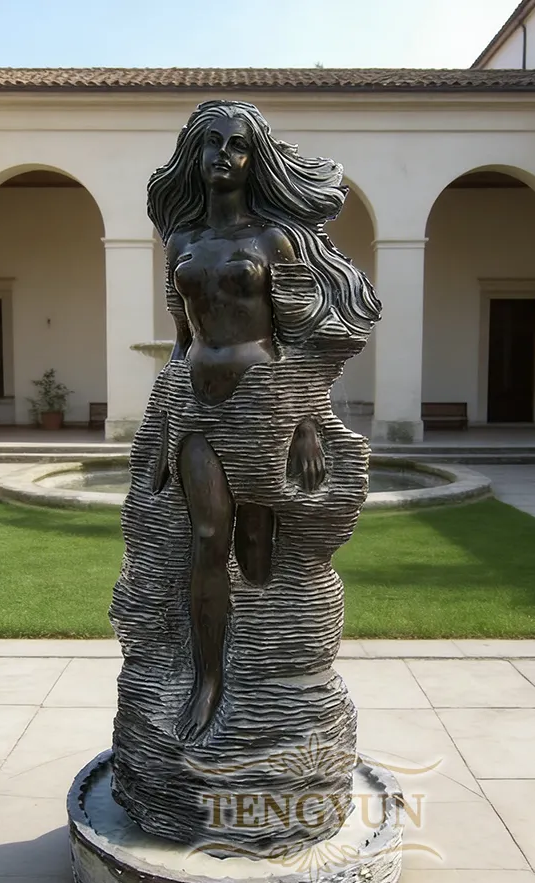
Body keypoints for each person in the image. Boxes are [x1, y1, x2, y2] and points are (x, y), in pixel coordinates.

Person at [146, 100, 381, 742]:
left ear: (255, 160)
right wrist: (164, 417)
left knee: (257, 554)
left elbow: (301, 337)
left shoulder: (275, 240)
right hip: (198, 404)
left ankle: (262, 675)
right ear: (195, 155)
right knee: (206, 537)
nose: (222, 155)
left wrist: (306, 422)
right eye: (211, 143)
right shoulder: (181, 243)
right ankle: (208, 681)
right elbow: (180, 338)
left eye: (237, 145)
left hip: (266, 403)